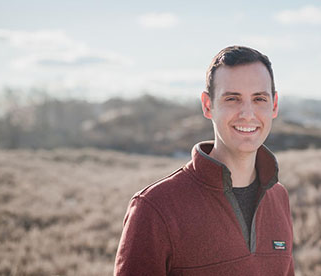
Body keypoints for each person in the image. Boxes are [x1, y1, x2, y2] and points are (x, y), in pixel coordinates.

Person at [114, 45, 294, 275]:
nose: (247, 114)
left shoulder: (279, 198)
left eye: (259, 98)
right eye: (232, 99)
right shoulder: (154, 208)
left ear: (274, 105)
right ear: (208, 105)